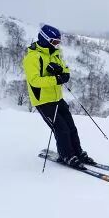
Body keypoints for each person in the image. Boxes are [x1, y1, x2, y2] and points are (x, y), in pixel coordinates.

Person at [23, 24, 94, 168]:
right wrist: (56, 79)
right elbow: (34, 81)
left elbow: (64, 68)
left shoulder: (56, 53)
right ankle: (67, 155)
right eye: (54, 42)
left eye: (58, 42)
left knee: (71, 127)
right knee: (61, 129)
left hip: (57, 98)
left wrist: (64, 73)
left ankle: (78, 153)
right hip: (43, 100)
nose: (57, 45)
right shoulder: (32, 57)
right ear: (45, 39)